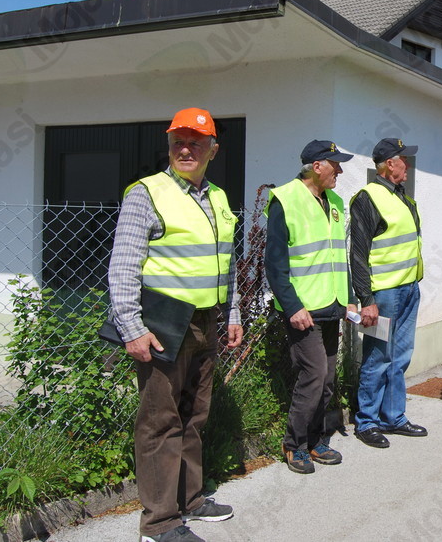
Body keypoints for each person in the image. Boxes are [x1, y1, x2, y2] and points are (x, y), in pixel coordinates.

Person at [108, 107, 242, 542]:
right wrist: (131, 328)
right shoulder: (146, 193)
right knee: (160, 421)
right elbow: (123, 265)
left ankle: (191, 498)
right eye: (178, 142)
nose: (186, 150)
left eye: (195, 143)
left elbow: (227, 263)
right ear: (168, 146)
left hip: (206, 320)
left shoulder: (217, 197)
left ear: (213, 150)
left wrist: (233, 312)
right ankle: (160, 523)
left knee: (194, 415)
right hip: (163, 325)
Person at [264, 140, 357, 473]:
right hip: (303, 309)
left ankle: (317, 440)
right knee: (314, 375)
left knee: (327, 378)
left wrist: (348, 297)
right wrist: (292, 306)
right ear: (317, 166)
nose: (340, 171)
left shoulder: (334, 201)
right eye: (336, 164)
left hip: (332, 303)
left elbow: (337, 256)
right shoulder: (285, 199)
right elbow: (274, 264)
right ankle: (295, 445)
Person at [349, 138, 428, 448]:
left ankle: (393, 417)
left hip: (409, 289)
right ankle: (367, 421)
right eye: (403, 159)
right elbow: (358, 254)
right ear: (389, 164)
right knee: (378, 357)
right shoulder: (367, 198)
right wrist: (366, 299)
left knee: (401, 356)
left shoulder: (402, 197)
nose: (407, 164)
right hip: (383, 294)